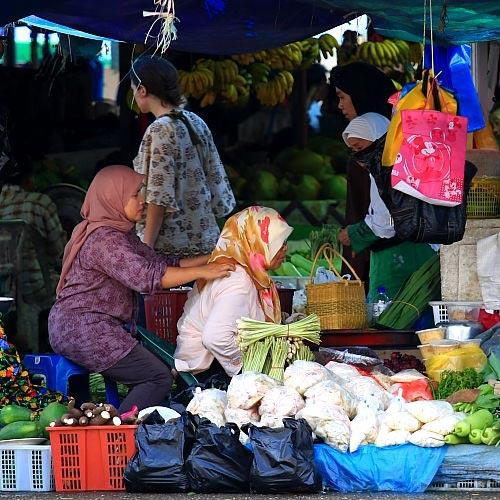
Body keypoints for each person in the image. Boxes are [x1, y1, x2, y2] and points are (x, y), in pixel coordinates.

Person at [48, 165, 235, 413]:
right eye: (135, 194)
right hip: (84, 329)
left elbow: (161, 264)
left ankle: (115, 426)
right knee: (157, 377)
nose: (143, 200)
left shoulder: (120, 234)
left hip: (95, 326)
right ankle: (117, 434)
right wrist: (204, 272)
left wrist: (212, 258)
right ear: (113, 197)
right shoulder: (105, 239)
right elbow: (146, 277)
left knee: (163, 369)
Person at [131, 55, 236, 258]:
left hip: (173, 248)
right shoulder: (196, 121)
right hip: (207, 241)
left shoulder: (160, 130)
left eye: (134, 90)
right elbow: (215, 179)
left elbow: (158, 197)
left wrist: (147, 246)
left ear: (143, 90)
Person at [175, 206, 292, 377]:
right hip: (209, 370)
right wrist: (247, 372)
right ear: (257, 243)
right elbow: (216, 338)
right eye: (278, 243)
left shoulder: (241, 270)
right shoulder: (237, 280)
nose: (284, 249)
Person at [339, 113, 436, 299]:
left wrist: (354, 233)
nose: (357, 156)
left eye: (360, 148)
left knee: (388, 316)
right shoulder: (405, 163)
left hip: (399, 258)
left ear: (380, 138)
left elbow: (385, 224)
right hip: (421, 253)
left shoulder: (385, 171)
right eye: (352, 151)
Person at [329, 62, 396, 284]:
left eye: (342, 97)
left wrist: (359, 234)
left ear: (360, 94)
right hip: (371, 250)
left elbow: (386, 214)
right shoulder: (369, 137)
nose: (340, 105)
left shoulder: (382, 145)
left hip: (386, 252)